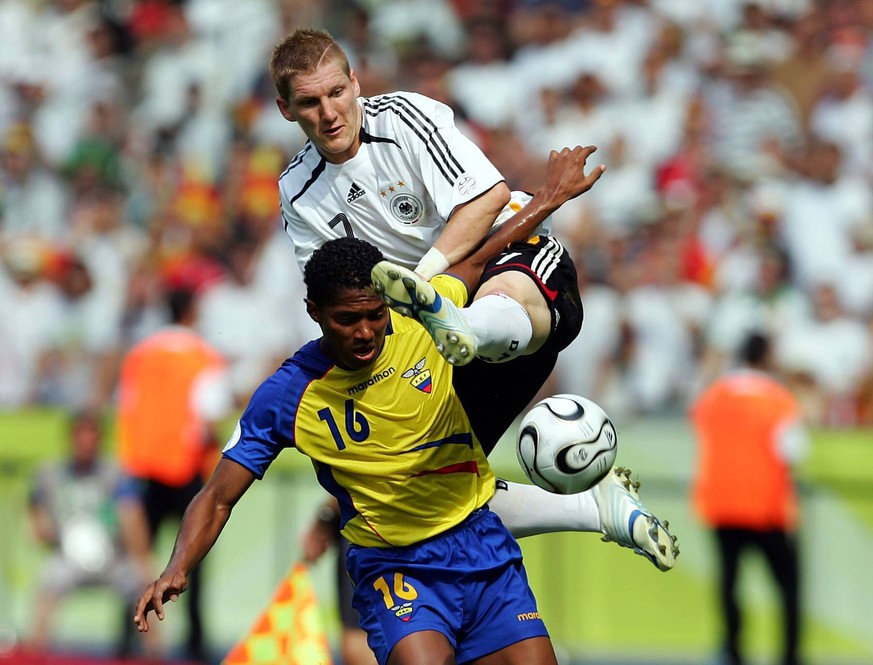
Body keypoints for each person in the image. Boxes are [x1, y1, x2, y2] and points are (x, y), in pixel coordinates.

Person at [132, 148, 676, 664]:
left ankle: (592, 504)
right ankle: (593, 509)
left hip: (482, 545)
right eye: (348, 320)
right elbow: (219, 495)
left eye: (374, 313)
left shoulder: (421, 316)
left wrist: (549, 199)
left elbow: (485, 252)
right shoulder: (287, 395)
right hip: (397, 567)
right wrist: (177, 567)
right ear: (314, 311)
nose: (367, 331)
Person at [270, 28, 676, 556]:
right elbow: (337, 296)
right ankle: (597, 507)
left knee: (495, 292)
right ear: (285, 109)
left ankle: (467, 324)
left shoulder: (405, 118)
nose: (328, 113)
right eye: (309, 102)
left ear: (355, 83)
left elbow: (487, 198)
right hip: (429, 338)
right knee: (427, 493)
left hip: (514, 268)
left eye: (336, 93)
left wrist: (431, 282)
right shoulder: (298, 193)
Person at [116, 286, 233, 662]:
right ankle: (196, 643)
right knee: (192, 556)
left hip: (146, 469)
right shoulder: (203, 358)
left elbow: (127, 406)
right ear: (192, 311)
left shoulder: (141, 354)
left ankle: (126, 635)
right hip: (186, 468)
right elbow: (211, 414)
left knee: (138, 557)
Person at [690, 332, 808, 665]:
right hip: (764, 507)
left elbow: (698, 425)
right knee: (788, 587)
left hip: (721, 503)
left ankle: (734, 652)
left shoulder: (714, 395)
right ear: (767, 356)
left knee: (729, 583)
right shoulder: (778, 398)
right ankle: (790, 656)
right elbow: (795, 450)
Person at [27, 409, 159, 658]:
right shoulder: (51, 474)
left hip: (112, 557)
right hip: (68, 557)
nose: (85, 444)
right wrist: (39, 527)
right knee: (47, 582)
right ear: (71, 439)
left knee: (147, 587)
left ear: (100, 440)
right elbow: (34, 505)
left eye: (91, 437)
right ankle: (35, 656)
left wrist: (142, 558)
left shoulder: (117, 474)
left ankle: (156, 656)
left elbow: (132, 515)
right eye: (80, 437)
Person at [300, 496, 376, 665]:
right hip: (431, 536)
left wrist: (325, 517)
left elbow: (354, 479)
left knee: (359, 635)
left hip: (366, 532)